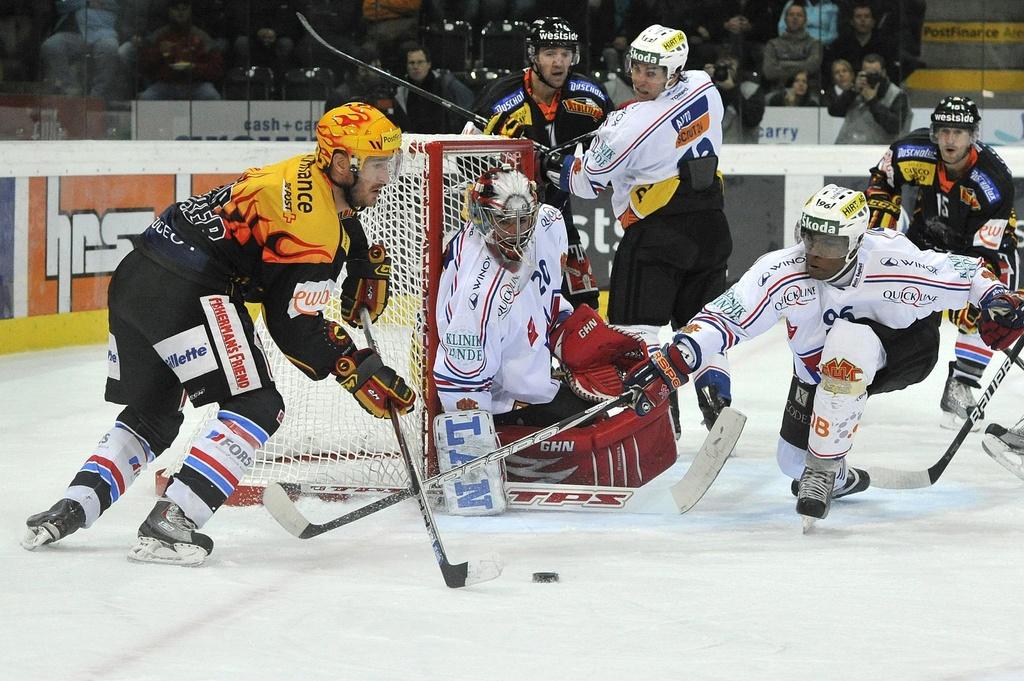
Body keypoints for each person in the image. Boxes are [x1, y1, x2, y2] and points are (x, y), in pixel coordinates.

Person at [22, 102, 416, 565]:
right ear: (342, 162)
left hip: (137, 275)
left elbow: (329, 219)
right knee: (258, 403)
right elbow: (292, 327)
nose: (387, 176)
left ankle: (72, 507)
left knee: (155, 410)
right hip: (190, 289)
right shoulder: (312, 231)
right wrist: (357, 367)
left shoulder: (303, 169)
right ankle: (173, 521)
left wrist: (361, 256)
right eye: (377, 164)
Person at [623, 183, 1024, 526]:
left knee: (846, 346)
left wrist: (998, 300)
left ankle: (824, 467)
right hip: (818, 370)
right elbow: (725, 315)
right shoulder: (783, 270)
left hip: (906, 347)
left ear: (854, 243)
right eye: (810, 238)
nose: (815, 252)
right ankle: (839, 474)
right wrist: (679, 357)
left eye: (830, 243)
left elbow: (967, 272)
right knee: (790, 461)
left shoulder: (893, 263)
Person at [432, 163, 675, 515]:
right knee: (602, 420)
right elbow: (459, 383)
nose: (518, 233)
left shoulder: (545, 223)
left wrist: (572, 333)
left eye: (523, 220)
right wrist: (473, 475)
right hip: (504, 403)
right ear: (483, 219)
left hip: (531, 376)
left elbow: (545, 294)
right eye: (506, 222)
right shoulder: (478, 293)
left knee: (622, 390)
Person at [548, 24, 734, 432]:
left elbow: (585, 182)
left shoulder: (629, 123)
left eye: (653, 72)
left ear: (674, 72)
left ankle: (658, 420)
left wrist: (560, 164)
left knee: (637, 330)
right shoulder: (704, 86)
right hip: (712, 228)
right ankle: (718, 397)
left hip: (658, 235)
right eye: (637, 67)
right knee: (701, 326)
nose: (640, 78)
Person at [866, 95, 1018, 429]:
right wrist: (883, 206)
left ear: (973, 135)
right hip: (925, 244)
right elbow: (883, 175)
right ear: (934, 132)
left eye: (958, 132)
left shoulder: (993, 181)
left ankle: (961, 384)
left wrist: (971, 288)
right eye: (944, 130)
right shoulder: (915, 152)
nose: (950, 139)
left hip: (979, 251)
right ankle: (862, 373)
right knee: (888, 296)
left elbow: (989, 247)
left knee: (994, 309)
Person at [467, 16, 612, 311]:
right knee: (508, 304)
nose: (559, 62)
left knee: (585, 305)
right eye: (550, 54)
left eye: (565, 54)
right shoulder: (500, 98)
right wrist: (500, 151)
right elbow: (463, 162)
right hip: (506, 221)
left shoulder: (589, 95)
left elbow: (618, 141)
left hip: (558, 215)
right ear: (533, 56)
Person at [137, 0, 224, 101]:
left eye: (184, 9)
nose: (180, 12)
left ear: (190, 11)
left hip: (196, 86)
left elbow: (217, 69)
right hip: (165, 85)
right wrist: (159, 53)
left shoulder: (202, 37)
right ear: (169, 11)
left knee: (212, 96)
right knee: (145, 98)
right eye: (176, 9)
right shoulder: (158, 36)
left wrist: (195, 68)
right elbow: (143, 66)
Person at [39, 0, 123, 98]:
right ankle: (70, 88)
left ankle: (97, 95)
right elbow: (61, 4)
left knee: (109, 47)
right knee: (51, 45)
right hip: (72, 33)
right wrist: (87, 2)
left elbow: (116, 5)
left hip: (103, 32)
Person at [395, 43, 474, 134]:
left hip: (445, 140)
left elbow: (469, 110)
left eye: (420, 62)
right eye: (411, 63)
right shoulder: (402, 91)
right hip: (416, 142)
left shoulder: (447, 84)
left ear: (429, 64)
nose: (415, 67)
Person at [832, 53, 909, 145]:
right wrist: (851, 91)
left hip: (877, 151)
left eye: (874, 74)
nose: (871, 77)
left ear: (883, 73)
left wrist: (873, 101)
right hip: (847, 147)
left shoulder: (897, 95)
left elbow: (895, 127)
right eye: (867, 74)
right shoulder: (855, 90)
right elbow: (834, 111)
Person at [823, 2, 897, 85]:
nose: (863, 20)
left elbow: (891, 71)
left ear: (873, 22)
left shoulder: (884, 45)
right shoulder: (840, 45)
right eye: (858, 17)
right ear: (852, 22)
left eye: (867, 16)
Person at [706, 49, 765, 143]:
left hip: (743, 150)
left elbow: (752, 120)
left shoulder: (751, 90)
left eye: (729, 68)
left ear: (739, 69)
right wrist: (704, 79)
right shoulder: (706, 90)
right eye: (721, 67)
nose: (725, 72)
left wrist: (731, 89)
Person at [762, 2, 823, 92]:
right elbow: (769, 72)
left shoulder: (815, 44)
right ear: (785, 19)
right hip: (778, 92)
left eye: (799, 15)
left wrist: (782, 64)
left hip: (808, 93)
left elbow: (812, 67)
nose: (795, 18)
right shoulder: (773, 44)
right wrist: (802, 64)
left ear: (805, 20)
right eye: (791, 15)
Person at [775, 0, 839, 47]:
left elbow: (833, 34)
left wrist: (816, 43)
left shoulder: (832, 7)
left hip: (821, 47)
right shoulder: (792, 3)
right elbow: (782, 27)